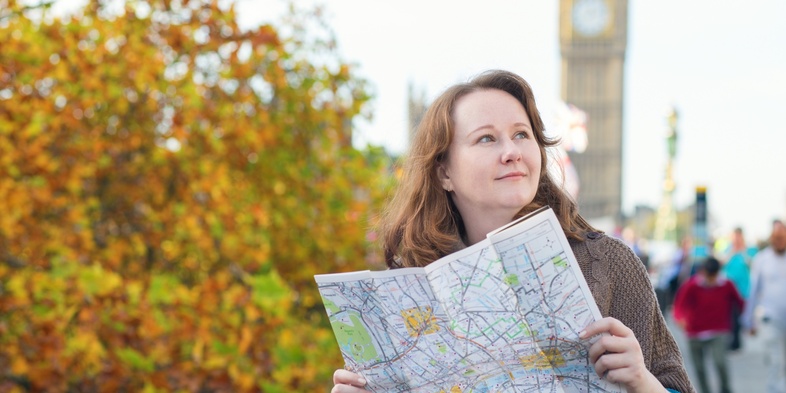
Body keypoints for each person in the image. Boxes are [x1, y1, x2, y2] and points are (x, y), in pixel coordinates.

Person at [331, 70, 694, 393]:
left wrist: (642, 382)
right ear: (444, 172)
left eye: (522, 134)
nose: (511, 152)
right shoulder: (406, 289)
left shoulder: (608, 263)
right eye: (486, 139)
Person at [672, 256, 744, 393]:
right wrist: (679, 318)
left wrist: (746, 321)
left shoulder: (727, 285)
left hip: (718, 330)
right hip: (695, 332)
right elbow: (679, 305)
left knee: (720, 362)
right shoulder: (692, 285)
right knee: (699, 368)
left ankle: (726, 389)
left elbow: (740, 302)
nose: (711, 279)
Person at [743, 219, 786, 393]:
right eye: (776, 238)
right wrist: (749, 320)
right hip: (771, 318)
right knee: (775, 362)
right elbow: (753, 291)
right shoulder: (762, 259)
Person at [721, 227, 751, 351]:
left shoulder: (748, 250)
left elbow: (751, 264)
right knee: (731, 316)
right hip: (729, 290)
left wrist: (742, 251)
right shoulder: (728, 249)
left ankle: (736, 341)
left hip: (742, 290)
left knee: (738, 316)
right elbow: (722, 262)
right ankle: (733, 341)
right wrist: (733, 251)